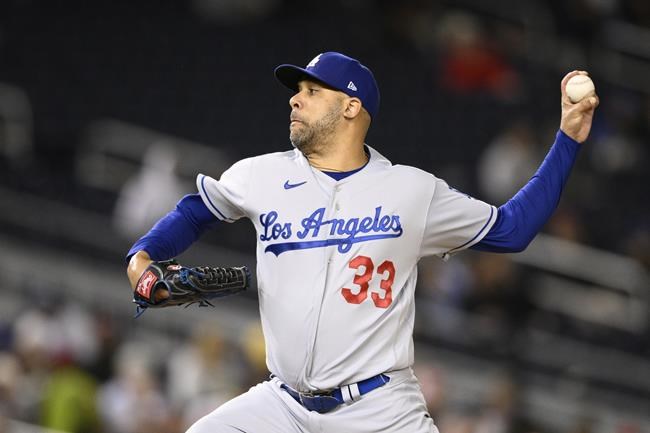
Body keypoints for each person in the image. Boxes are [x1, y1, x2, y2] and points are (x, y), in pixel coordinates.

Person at [126, 52, 598, 433]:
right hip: (282, 406)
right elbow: (194, 213)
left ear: (351, 107)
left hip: (379, 409)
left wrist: (568, 139)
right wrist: (141, 257)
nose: (295, 100)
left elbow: (513, 229)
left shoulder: (411, 191)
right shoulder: (260, 175)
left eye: (312, 91)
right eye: (296, 92)